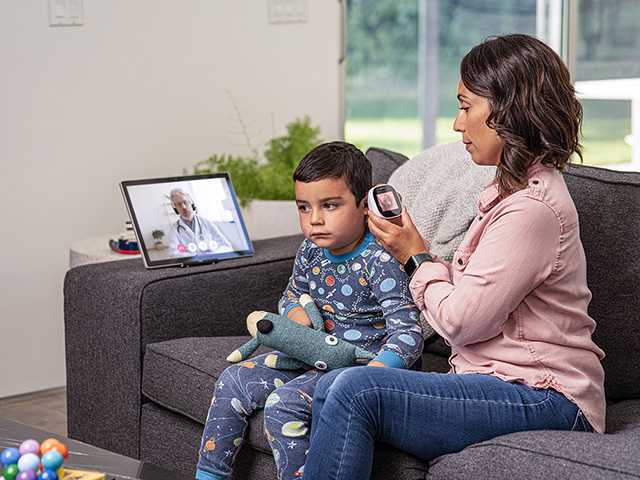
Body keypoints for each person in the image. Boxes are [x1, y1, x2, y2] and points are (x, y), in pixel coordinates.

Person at [302, 34, 606, 480]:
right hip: (496, 383)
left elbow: (463, 321)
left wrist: (414, 256)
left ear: (507, 110)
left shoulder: (532, 210)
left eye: (466, 106)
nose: (457, 125)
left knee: (353, 390)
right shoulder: (506, 196)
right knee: (331, 386)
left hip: (549, 396)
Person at [195, 141, 425, 480]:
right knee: (233, 379)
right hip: (310, 356)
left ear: (364, 205)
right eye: (304, 208)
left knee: (281, 404)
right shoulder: (310, 251)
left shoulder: (380, 260)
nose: (314, 220)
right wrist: (293, 312)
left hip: (359, 366)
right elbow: (293, 294)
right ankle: (210, 475)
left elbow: (408, 334)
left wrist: (371, 372)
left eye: (330, 205)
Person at [168, 188, 232, 255]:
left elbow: (226, 245)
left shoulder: (206, 221)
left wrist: (213, 254)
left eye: (185, 202)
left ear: (191, 202)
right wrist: (195, 257)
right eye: (179, 204)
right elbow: (173, 254)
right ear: (176, 209)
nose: (183, 207)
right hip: (194, 264)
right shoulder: (174, 230)